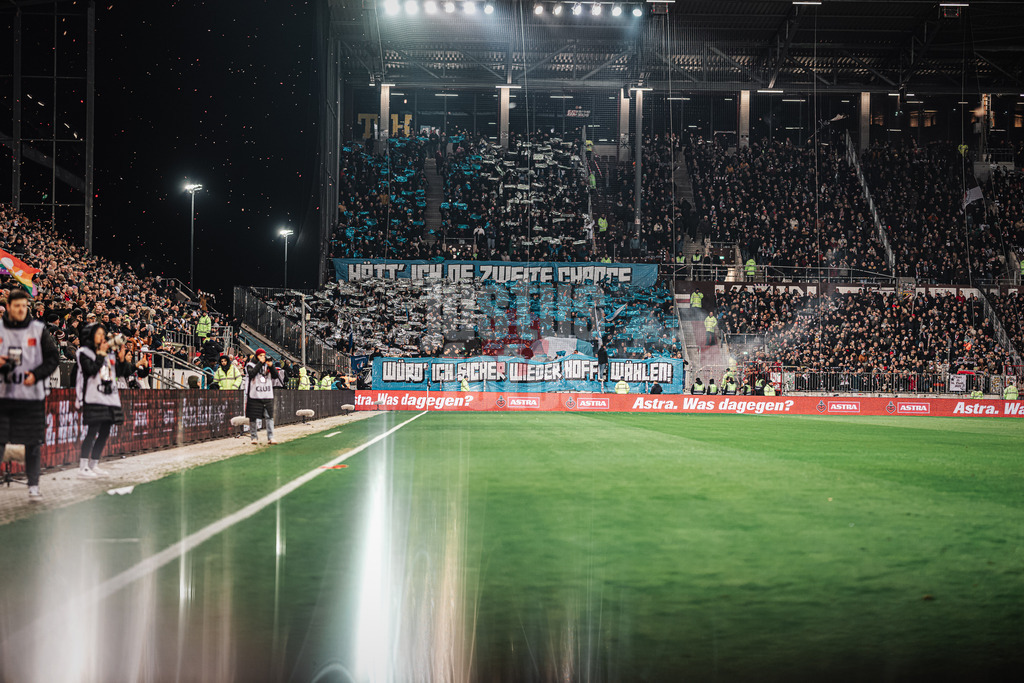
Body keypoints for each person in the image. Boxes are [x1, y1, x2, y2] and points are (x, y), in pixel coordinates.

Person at [0, 290, 60, 501]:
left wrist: (36, 375)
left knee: (33, 443)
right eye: (17, 306)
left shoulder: (38, 329)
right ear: (8, 307)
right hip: (4, 395)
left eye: (24, 306)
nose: (21, 309)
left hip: (32, 396)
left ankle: (33, 485)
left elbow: (53, 358)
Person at [75, 322, 132, 478]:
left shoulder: (108, 353)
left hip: (109, 398)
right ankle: (83, 466)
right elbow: (90, 370)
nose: (102, 337)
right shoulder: (84, 352)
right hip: (92, 396)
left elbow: (118, 373)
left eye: (103, 334)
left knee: (105, 432)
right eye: (98, 334)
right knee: (92, 431)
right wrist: (100, 354)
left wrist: (121, 360)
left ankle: (94, 464)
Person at [245, 349, 278, 445]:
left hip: (267, 394)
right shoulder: (250, 365)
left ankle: (271, 437)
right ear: (256, 356)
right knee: (253, 417)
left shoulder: (267, 365)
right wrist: (260, 363)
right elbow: (252, 374)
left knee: (269, 417)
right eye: (260, 355)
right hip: (254, 394)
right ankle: (254, 437)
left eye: (264, 355)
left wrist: (272, 367)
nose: (263, 357)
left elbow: (275, 376)